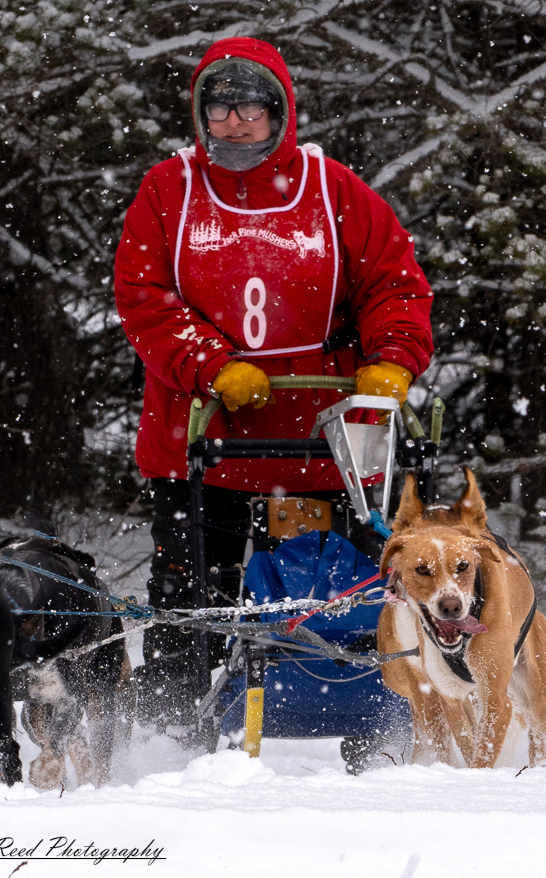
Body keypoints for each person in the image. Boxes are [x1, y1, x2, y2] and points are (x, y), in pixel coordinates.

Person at [112, 37, 434, 738]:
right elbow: (143, 295)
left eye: (251, 107)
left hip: (329, 442)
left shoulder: (334, 188)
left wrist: (392, 359)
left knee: (355, 593)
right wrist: (210, 362)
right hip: (206, 435)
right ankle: (173, 736)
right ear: (200, 114)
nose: (235, 123)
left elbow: (394, 283)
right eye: (220, 108)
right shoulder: (168, 190)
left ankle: (375, 721)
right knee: (191, 597)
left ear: (280, 111)